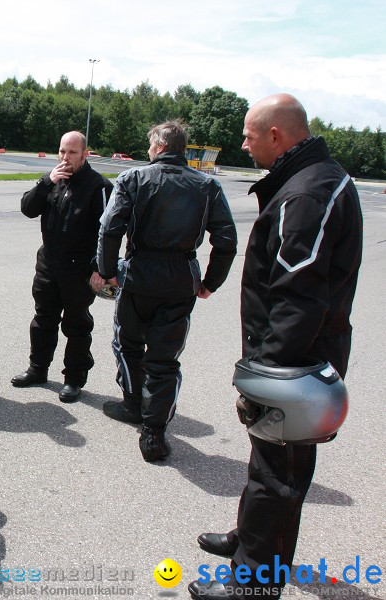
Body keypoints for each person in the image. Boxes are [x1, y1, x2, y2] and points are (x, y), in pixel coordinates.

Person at [188, 95, 363, 600]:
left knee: (279, 476)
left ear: (277, 136)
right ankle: (251, 540)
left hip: (294, 365)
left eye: (248, 135)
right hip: (291, 359)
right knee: (267, 462)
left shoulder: (307, 194)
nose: (243, 143)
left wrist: (267, 378)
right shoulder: (308, 181)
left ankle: (254, 582)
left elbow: (297, 297)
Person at [94, 120, 237, 462]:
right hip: (178, 281)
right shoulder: (206, 185)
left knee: (127, 343)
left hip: (139, 277)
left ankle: (135, 405)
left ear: (158, 147)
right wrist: (210, 282)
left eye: (149, 146)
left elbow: (110, 228)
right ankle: (153, 431)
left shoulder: (135, 179)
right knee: (163, 359)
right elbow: (226, 241)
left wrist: (107, 271)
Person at [11, 131, 113, 403]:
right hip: (48, 263)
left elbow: (108, 231)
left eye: (72, 153)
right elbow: (28, 208)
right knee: (43, 319)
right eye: (62, 152)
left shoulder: (100, 186)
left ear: (85, 154)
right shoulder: (53, 180)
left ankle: (74, 379)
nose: (65, 158)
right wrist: (46, 182)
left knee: (76, 324)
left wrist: (100, 268)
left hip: (79, 268)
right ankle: (37, 369)